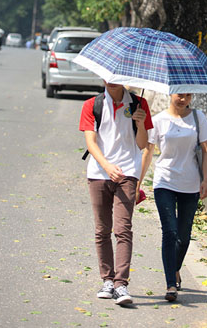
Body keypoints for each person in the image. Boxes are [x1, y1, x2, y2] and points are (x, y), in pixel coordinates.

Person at [79, 82, 153, 306]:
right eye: (107, 77)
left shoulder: (140, 103)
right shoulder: (93, 105)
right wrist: (106, 166)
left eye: (117, 77)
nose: (111, 80)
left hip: (128, 173)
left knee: (123, 229)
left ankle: (121, 284)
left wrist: (140, 124)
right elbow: (91, 143)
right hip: (99, 173)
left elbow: (142, 144)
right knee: (102, 230)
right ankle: (107, 280)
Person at [137, 93, 207, 302]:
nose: (183, 99)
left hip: (190, 184)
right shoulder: (159, 120)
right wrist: (138, 182)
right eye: (180, 95)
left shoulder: (198, 117)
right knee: (169, 232)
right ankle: (171, 283)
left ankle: (175, 268)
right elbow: (148, 152)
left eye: (188, 95)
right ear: (171, 93)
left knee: (184, 235)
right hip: (165, 182)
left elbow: (206, 151)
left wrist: (206, 180)